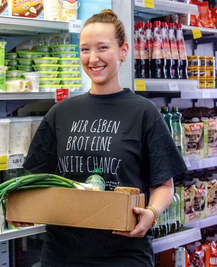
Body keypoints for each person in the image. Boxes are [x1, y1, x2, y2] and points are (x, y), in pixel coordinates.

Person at [22, 9, 188, 266]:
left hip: (124, 253)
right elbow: (33, 177)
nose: (93, 58)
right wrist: (23, 207)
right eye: (85, 49)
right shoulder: (60, 113)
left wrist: (151, 213)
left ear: (123, 51)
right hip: (62, 254)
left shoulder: (144, 112)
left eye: (102, 47)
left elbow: (164, 185)